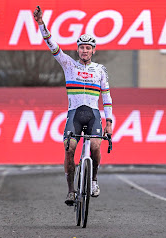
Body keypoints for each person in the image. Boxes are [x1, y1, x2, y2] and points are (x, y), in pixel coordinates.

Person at [34, 6, 113, 206]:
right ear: (77, 50)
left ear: (93, 50)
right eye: (82, 47)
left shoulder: (100, 70)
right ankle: (71, 191)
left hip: (94, 114)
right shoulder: (69, 65)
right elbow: (52, 46)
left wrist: (109, 121)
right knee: (70, 148)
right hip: (74, 114)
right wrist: (42, 24)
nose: (85, 51)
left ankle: (93, 180)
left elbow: (106, 96)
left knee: (95, 146)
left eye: (88, 48)